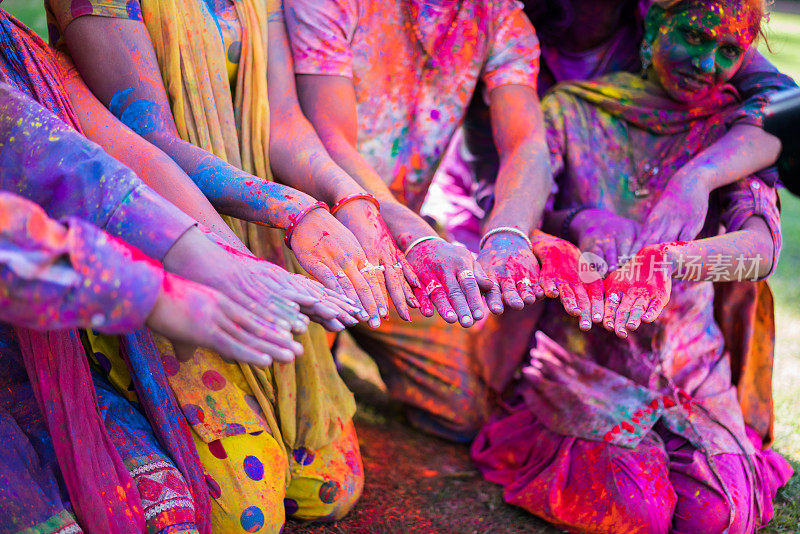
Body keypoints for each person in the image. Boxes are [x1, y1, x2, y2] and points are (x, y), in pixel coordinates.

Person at [2, 5, 367, 530]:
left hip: (225, 246)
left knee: (329, 490)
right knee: (240, 516)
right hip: (140, 256)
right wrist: (170, 284)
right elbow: (139, 143)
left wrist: (340, 206)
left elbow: (87, 165)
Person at [470, 1, 793, 531]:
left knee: (718, 516)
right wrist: (582, 219)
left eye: (730, 51)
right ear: (654, 25)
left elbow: (762, 246)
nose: (708, 64)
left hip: (690, 360)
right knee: (633, 509)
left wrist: (671, 260)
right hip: (583, 356)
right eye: (694, 35)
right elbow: (516, 218)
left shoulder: (738, 134)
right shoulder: (570, 111)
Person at [284, 0, 602, 441]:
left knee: (464, 410)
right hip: (309, 231)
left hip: (410, 252)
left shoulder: (500, 17)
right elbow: (327, 139)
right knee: (309, 447)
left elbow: (527, 142)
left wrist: (509, 236)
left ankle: (342, 346)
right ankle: (324, 353)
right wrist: (414, 232)